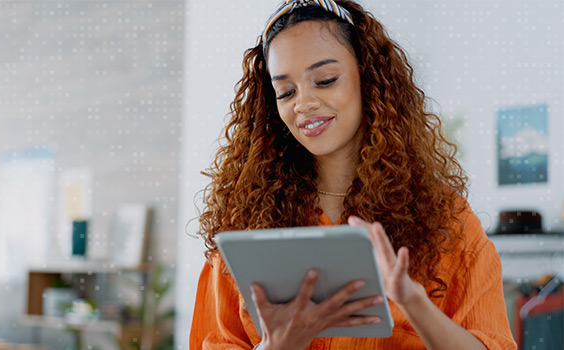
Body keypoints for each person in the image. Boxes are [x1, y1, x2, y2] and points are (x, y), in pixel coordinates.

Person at [189, 0, 517, 349]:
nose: (303, 103)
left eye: (325, 80)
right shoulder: (245, 230)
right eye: (285, 91)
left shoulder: (447, 224)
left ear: (369, 75)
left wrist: (413, 301)